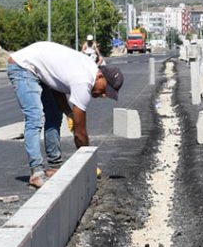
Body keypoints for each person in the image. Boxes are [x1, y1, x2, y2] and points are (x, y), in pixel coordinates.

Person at [7, 41, 124, 188]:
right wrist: (88, 162)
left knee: (55, 115)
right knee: (35, 118)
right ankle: (36, 171)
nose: (104, 95)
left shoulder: (87, 71)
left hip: (39, 69)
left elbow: (57, 87)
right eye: (105, 90)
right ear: (100, 76)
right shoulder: (84, 80)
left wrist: (68, 113)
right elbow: (79, 133)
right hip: (23, 66)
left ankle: (54, 166)